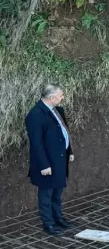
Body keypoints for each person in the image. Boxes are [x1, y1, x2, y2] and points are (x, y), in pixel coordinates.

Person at [25, 84, 75, 235]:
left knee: (57, 192)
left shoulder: (57, 110)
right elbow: (36, 143)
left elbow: (64, 132)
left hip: (60, 159)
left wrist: (69, 151)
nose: (63, 97)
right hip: (47, 163)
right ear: (52, 97)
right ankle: (48, 224)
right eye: (61, 95)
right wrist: (44, 165)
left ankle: (58, 218)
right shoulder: (35, 115)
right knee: (46, 195)